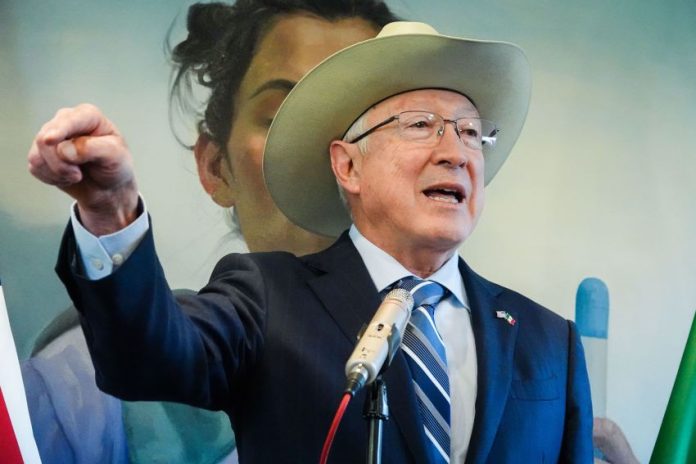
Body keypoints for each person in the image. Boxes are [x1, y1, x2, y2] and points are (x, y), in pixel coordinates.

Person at [28, 20, 594, 462]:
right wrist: (111, 210)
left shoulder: (551, 343)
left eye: (471, 132)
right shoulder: (268, 296)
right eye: (421, 125)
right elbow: (146, 361)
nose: (455, 152)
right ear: (347, 166)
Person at [21, 1, 399, 463]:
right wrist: (112, 211)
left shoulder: (487, 364)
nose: (335, 154)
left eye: (368, 119)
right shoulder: (77, 390)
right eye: (282, 114)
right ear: (216, 166)